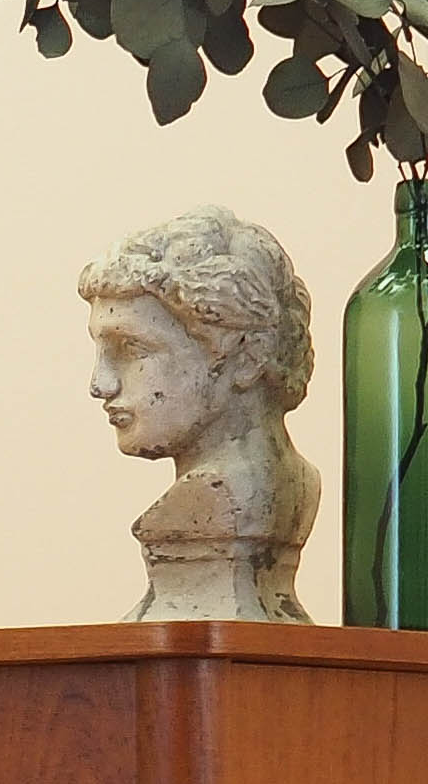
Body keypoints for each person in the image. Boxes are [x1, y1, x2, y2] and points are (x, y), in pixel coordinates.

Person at [80, 207, 320, 621]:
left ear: (245, 356)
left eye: (132, 349)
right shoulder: (283, 490)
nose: (100, 384)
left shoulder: (234, 501)